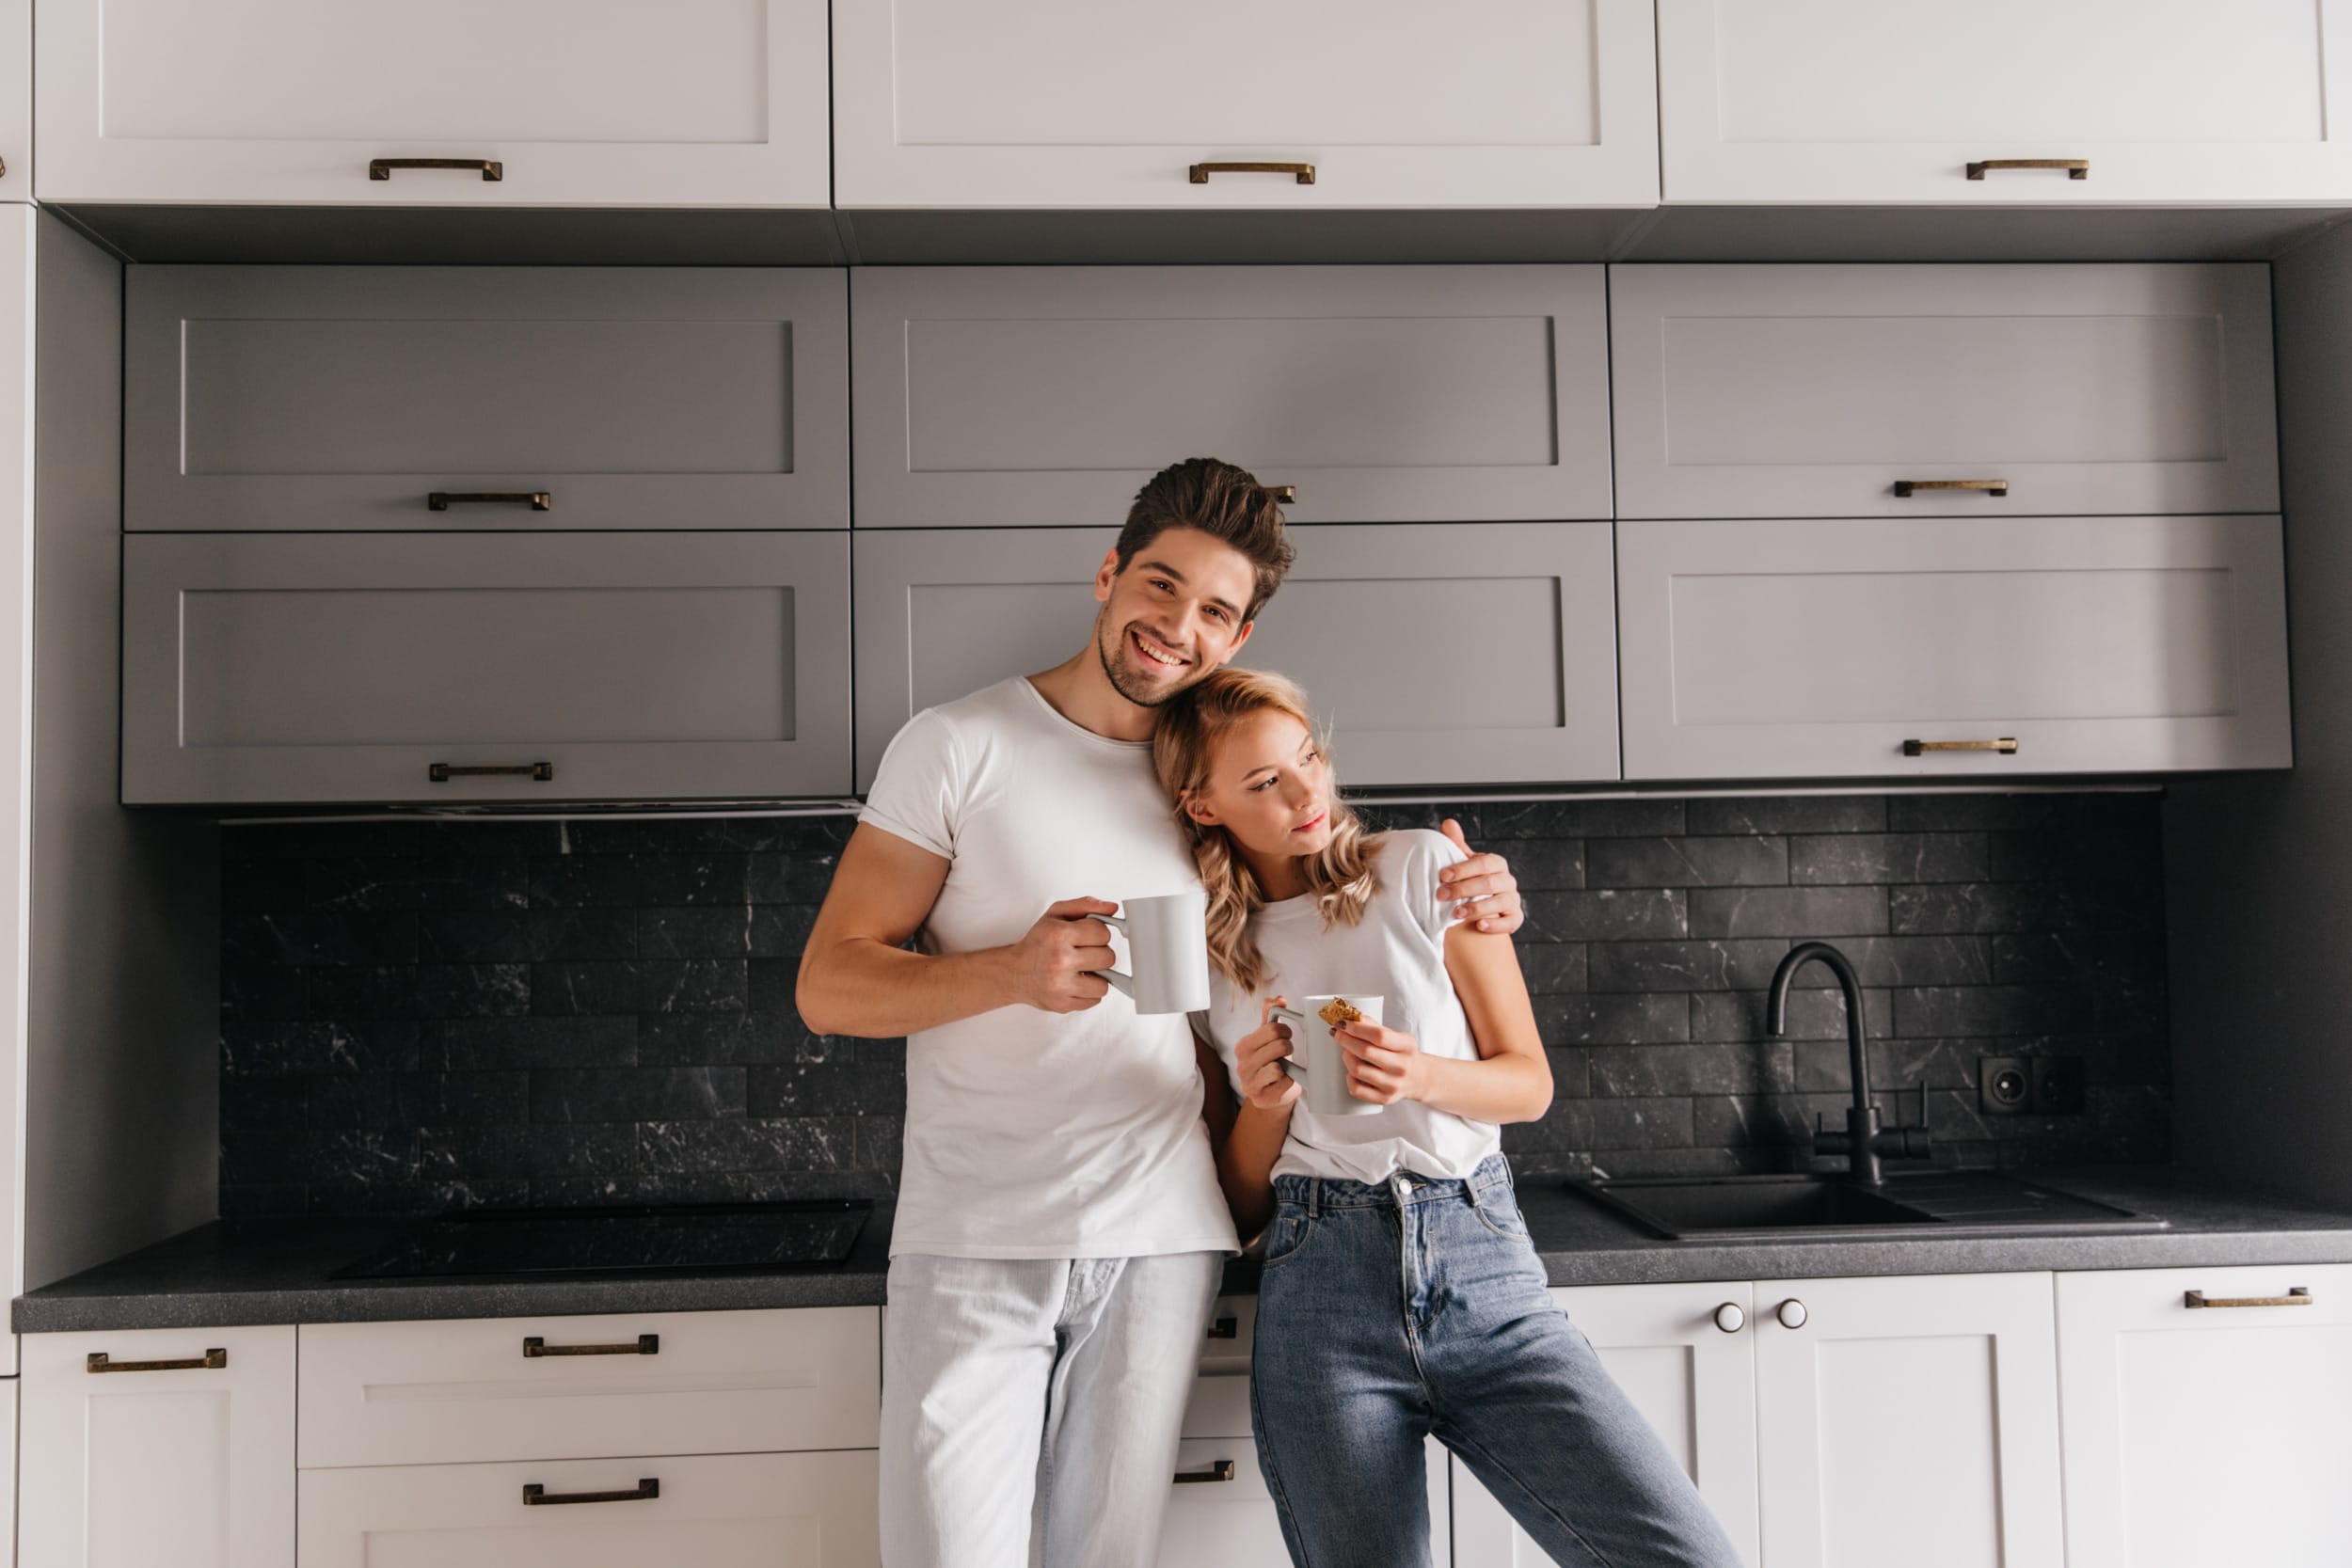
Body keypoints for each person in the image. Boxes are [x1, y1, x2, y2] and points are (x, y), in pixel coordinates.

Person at [795, 457, 1530, 1568]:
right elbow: (830, 983)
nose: (1176, 626)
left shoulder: (1218, 772)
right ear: (1108, 572)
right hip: (977, 1234)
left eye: (1215, 611)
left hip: (1162, 1234)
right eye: (1160, 585)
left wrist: (1480, 892)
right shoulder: (957, 745)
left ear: (1234, 636)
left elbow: (1343, 876)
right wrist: (1010, 970)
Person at [1155, 666, 1744, 1568]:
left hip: (1482, 1265)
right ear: (1202, 806)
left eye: (1308, 756)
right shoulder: (1208, 954)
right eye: (1266, 782)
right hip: (1319, 1294)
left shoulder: (1423, 866)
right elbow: (1239, 1208)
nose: (1311, 792)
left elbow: (1529, 1082)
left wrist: (1420, 1073)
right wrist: (1266, 1104)